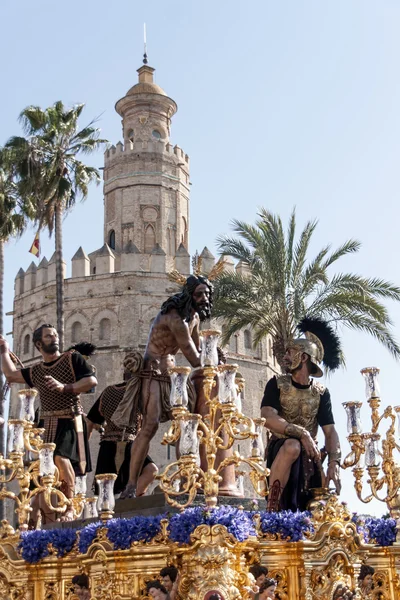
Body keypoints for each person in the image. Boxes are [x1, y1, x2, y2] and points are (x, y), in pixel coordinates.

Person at [112, 274, 213, 499]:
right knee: (149, 426)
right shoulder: (176, 318)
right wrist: (213, 364)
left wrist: (215, 353)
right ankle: (131, 484)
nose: (204, 298)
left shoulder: (193, 316)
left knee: (185, 425)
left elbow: (198, 347)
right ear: (189, 295)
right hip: (153, 373)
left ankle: (187, 478)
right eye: (199, 294)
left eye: (207, 293)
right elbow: (193, 355)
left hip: (173, 376)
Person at [0, 325, 97, 521]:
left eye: (54, 335)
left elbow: (91, 381)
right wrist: (3, 349)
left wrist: (65, 387)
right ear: (38, 344)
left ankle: (70, 506)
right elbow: (11, 375)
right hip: (45, 425)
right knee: (42, 472)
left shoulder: (71, 358)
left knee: (61, 458)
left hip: (69, 419)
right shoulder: (36, 371)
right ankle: (41, 518)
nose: (54, 338)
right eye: (48, 336)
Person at [261, 317, 342, 512]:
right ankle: (273, 502)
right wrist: (301, 433)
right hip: (282, 446)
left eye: (290, 352)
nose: (285, 356)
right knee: (292, 445)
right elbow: (267, 416)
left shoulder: (321, 392)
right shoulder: (277, 383)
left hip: (310, 452)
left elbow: (330, 432)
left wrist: (334, 462)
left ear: (304, 357)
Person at [86, 354, 158, 497]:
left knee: (107, 489)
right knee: (150, 471)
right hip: (127, 445)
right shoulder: (141, 393)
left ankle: (123, 505)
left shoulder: (109, 392)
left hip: (110, 445)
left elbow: (90, 421)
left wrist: (84, 453)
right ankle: (124, 505)